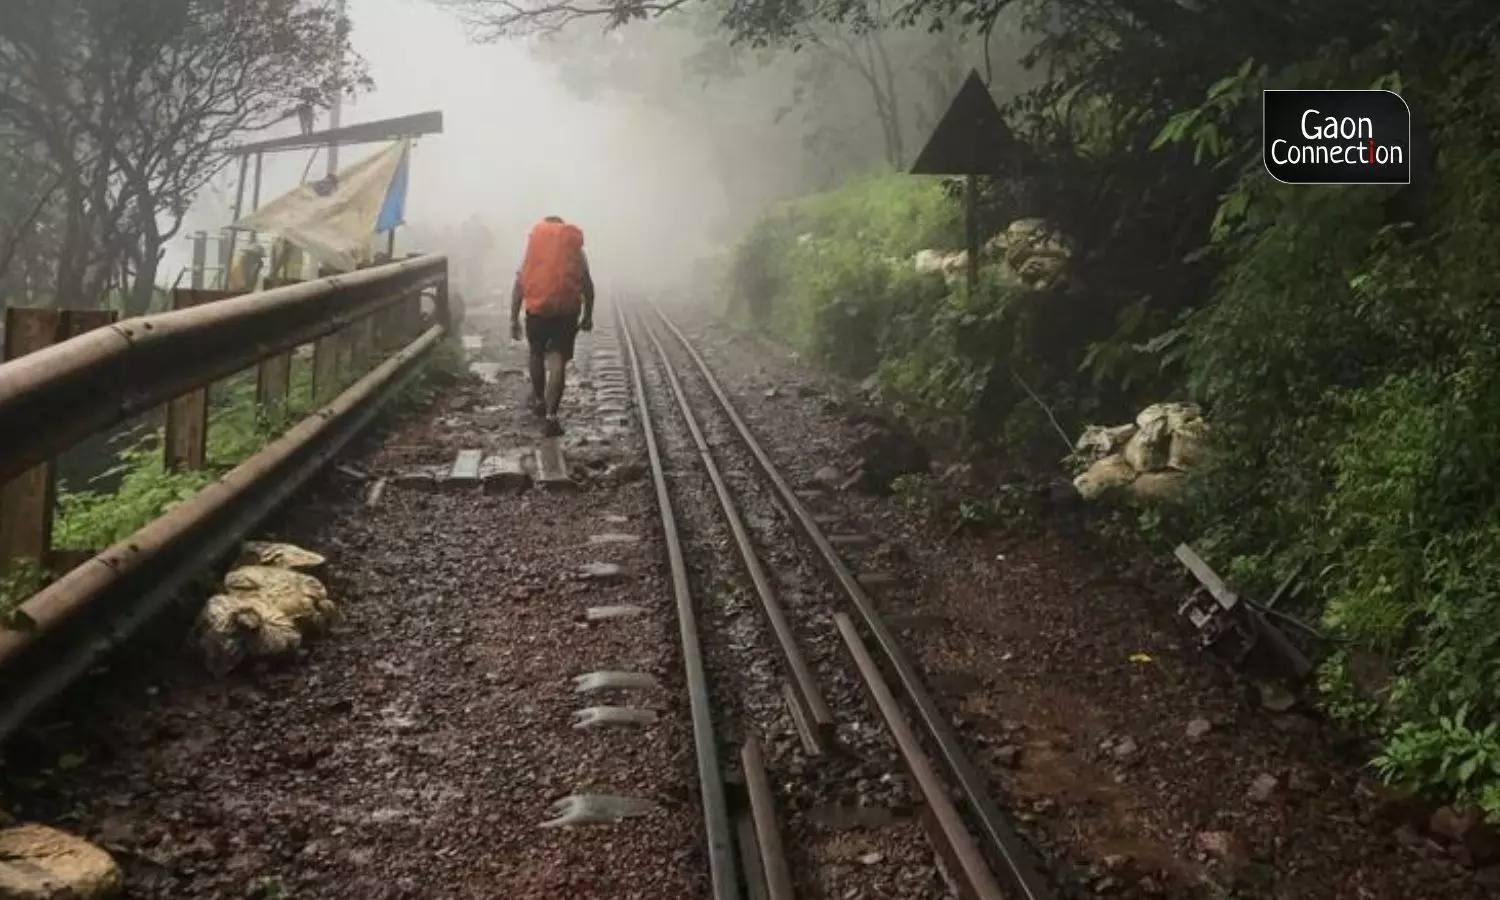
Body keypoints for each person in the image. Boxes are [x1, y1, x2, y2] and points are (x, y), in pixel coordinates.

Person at [510, 215, 594, 436]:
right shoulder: (575, 250)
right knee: (557, 360)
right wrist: (588, 315)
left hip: (537, 310)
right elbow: (587, 284)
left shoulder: (534, 250)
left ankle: (539, 399)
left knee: (536, 353)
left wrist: (513, 318)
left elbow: (519, 284)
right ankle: (551, 416)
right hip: (566, 311)